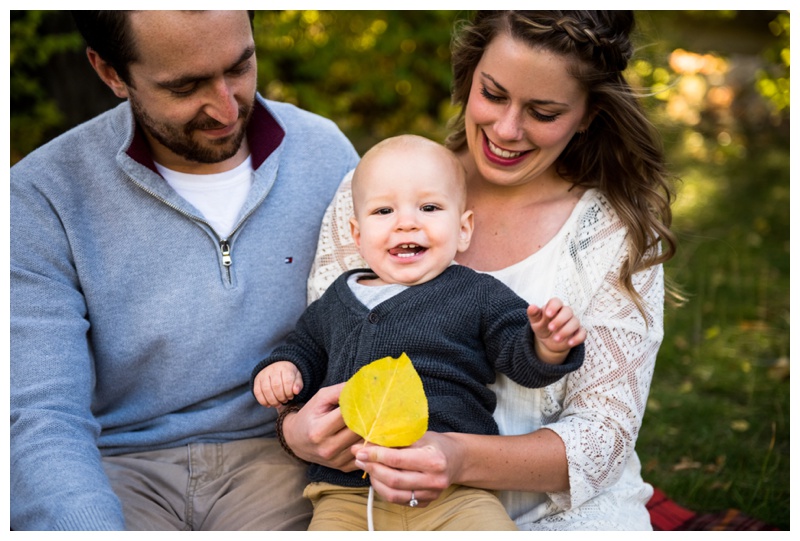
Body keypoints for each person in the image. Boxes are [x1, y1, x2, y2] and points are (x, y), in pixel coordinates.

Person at [281, 10, 677, 531]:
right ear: (469, 78)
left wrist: (458, 458)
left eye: (544, 111)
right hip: (369, 506)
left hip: (560, 516)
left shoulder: (614, 234)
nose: (507, 130)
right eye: (493, 94)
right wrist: (295, 430)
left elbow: (602, 438)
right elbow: (321, 351)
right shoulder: (377, 193)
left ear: (587, 114)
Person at [10, 10, 359, 531]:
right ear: (110, 73)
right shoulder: (41, 197)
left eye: (240, 67)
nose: (225, 108)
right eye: (185, 86)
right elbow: (42, 417)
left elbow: (377, 320)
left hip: (281, 457)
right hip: (115, 466)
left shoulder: (325, 154)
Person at [251, 135, 586, 531]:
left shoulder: (474, 292)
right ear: (358, 236)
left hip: (455, 492)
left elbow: (519, 356)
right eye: (384, 210)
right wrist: (284, 368)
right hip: (347, 493)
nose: (406, 222)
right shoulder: (338, 298)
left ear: (463, 229)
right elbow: (304, 346)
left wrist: (546, 346)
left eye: (429, 207)